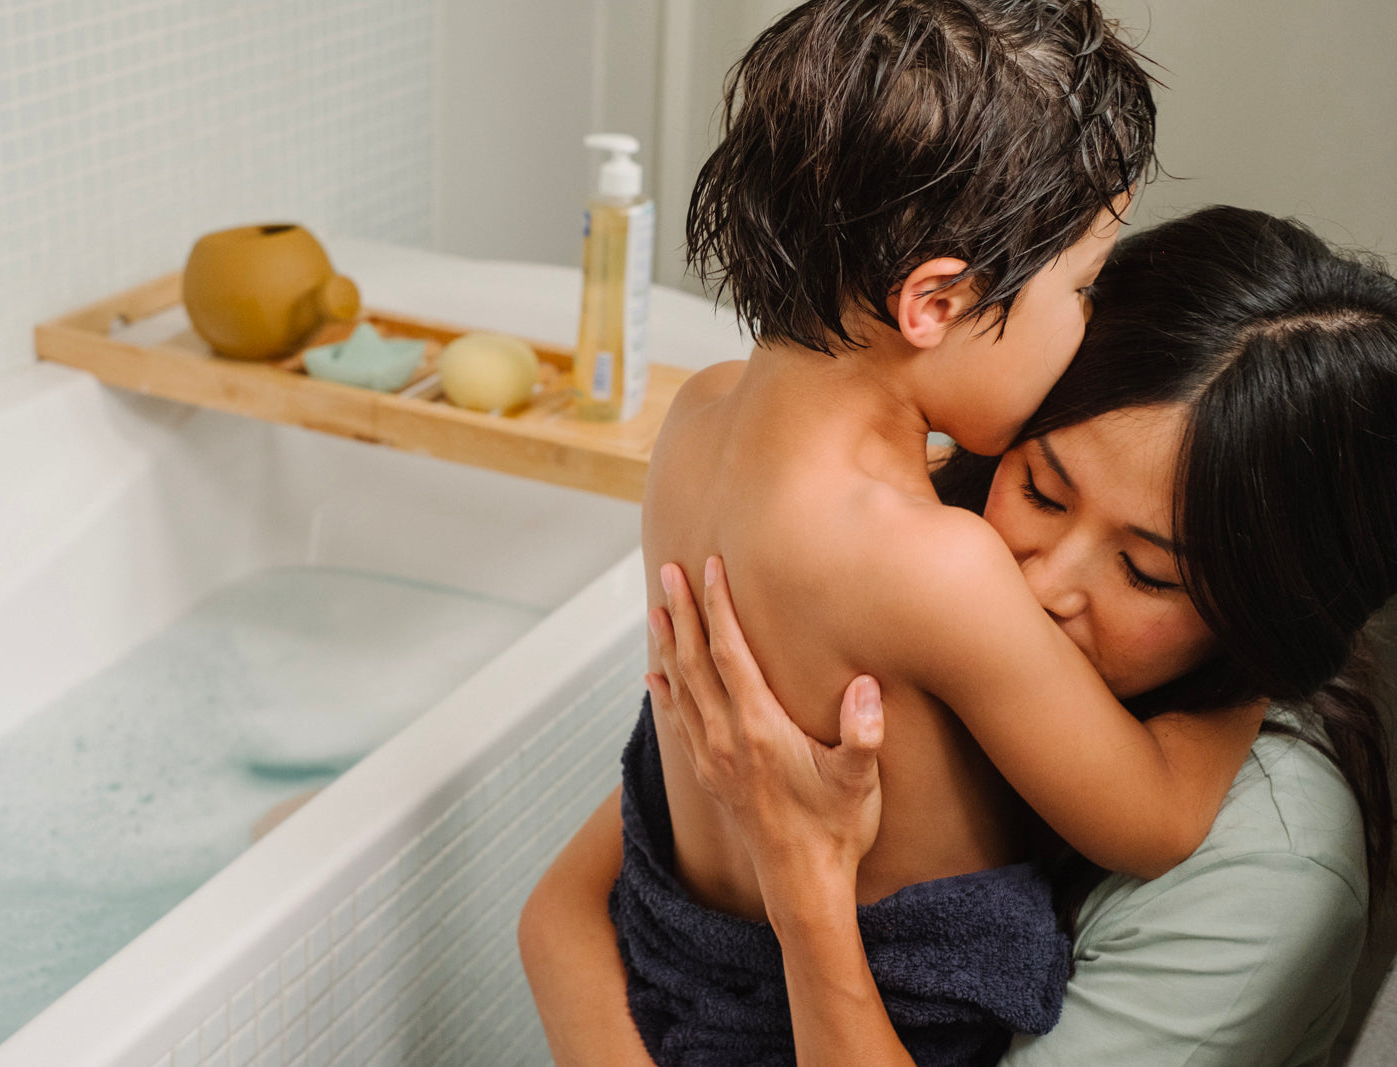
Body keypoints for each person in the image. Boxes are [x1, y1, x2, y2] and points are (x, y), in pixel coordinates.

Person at [520, 206, 1397, 1065]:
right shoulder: (915, 571)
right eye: (1043, 491)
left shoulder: (1269, 869)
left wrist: (808, 895)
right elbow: (562, 914)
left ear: (1271, 612)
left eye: (1147, 573)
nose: (1041, 583)